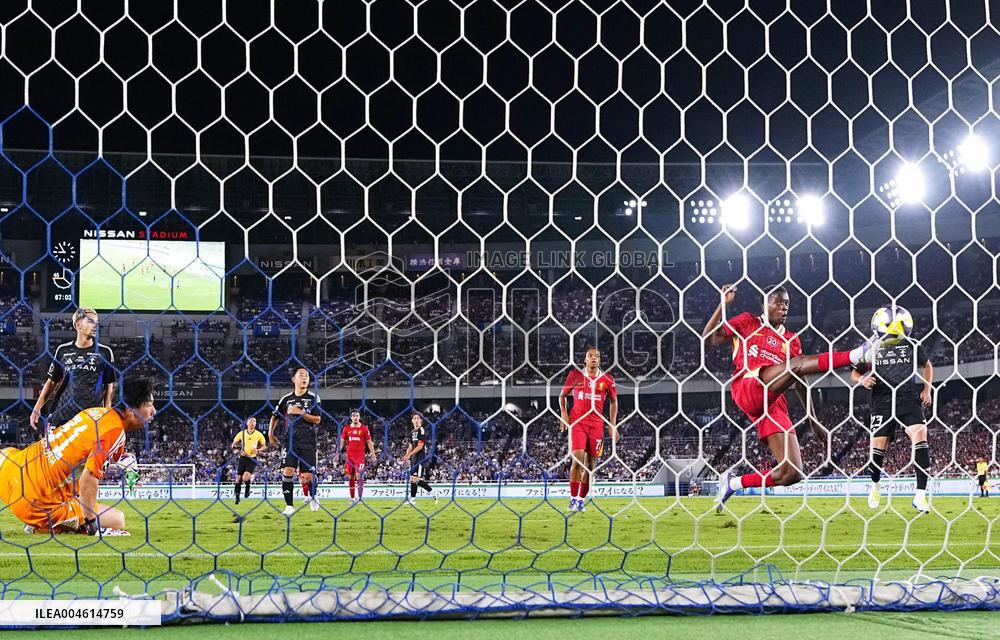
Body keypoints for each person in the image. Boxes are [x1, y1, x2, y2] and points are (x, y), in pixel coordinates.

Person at [704, 284, 881, 513]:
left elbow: (799, 379)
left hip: (773, 402)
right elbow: (709, 339)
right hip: (747, 385)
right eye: (778, 302)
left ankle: (734, 483)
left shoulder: (791, 340)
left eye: (786, 303)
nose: (784, 307)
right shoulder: (748, 322)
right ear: (764, 304)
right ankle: (856, 355)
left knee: (792, 472)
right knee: (796, 364)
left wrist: (812, 419)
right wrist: (722, 304)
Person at [0, 378, 156, 535]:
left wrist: (125, 460)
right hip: (37, 505)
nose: (154, 411)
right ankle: (45, 525)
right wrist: (90, 522)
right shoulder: (114, 431)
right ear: (130, 409)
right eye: (149, 405)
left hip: (10, 473)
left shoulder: (94, 412)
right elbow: (88, 479)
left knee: (7, 452)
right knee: (118, 519)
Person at [852, 332, 933, 513]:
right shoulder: (873, 345)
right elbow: (855, 372)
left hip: (908, 399)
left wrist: (927, 389)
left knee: (920, 434)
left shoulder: (912, 343)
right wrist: (862, 379)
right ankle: (876, 485)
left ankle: (920, 495)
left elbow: (927, 365)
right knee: (878, 448)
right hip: (882, 402)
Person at [31, 308, 116, 433]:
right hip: (62, 417)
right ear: (78, 325)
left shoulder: (105, 352)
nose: (95, 325)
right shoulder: (63, 350)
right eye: (90, 321)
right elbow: (52, 382)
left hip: (90, 418)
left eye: (97, 322)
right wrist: (37, 408)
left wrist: (106, 412)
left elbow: (109, 386)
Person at [558, 346, 618, 513]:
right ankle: (573, 498)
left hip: (597, 425)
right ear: (585, 359)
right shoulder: (575, 375)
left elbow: (614, 401)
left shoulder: (607, 379)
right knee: (577, 460)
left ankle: (581, 500)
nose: (593, 358)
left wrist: (612, 424)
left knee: (590, 465)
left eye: (596, 356)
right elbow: (562, 396)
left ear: (599, 360)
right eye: (590, 355)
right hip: (578, 423)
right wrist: (564, 414)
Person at [268, 368, 322, 515]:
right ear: (294, 379)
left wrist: (301, 412)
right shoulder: (286, 399)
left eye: (307, 376)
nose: (304, 377)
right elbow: (274, 416)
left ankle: (313, 495)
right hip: (290, 440)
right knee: (288, 471)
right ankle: (289, 506)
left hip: (308, 440)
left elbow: (317, 419)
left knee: (308, 476)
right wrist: (270, 434)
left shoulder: (313, 398)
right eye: (301, 375)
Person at [339, 410, 376, 503]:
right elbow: (342, 441)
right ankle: (352, 498)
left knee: (359, 476)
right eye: (353, 416)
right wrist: (338, 452)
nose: (355, 418)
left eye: (357, 416)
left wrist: (373, 454)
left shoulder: (364, 428)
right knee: (350, 477)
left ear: (359, 417)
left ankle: (359, 498)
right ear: (351, 417)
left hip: (359, 457)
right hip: (349, 457)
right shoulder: (346, 428)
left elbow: (369, 442)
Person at [401, 412, 437, 505]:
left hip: (420, 458)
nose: (416, 420)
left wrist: (409, 454)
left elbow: (420, 446)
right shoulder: (412, 432)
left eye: (418, 418)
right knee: (413, 479)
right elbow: (410, 445)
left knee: (416, 479)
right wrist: (406, 455)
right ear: (412, 420)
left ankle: (433, 492)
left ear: (421, 420)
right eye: (415, 418)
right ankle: (413, 500)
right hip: (414, 459)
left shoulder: (421, 430)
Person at [231, 416, 266, 505]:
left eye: (254, 422)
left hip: (252, 459)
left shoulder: (258, 434)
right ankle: (237, 498)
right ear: (247, 424)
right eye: (250, 422)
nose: (252, 424)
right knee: (238, 479)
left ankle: (247, 488)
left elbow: (264, 446)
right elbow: (234, 443)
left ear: (255, 424)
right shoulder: (241, 433)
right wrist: (235, 446)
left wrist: (258, 450)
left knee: (245, 477)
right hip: (243, 458)